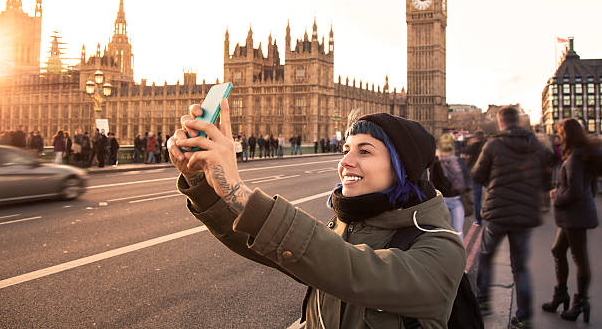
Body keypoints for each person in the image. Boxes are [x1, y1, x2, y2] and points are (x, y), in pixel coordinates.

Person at [167, 102, 465, 328]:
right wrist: (201, 183)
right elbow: (270, 244)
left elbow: (350, 269)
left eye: (364, 151)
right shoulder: (348, 228)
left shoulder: (440, 248)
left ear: (402, 169)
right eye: (345, 149)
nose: (345, 161)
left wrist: (237, 188)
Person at [472, 106, 552, 329]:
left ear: (501, 123)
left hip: (497, 212)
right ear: (519, 121)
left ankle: (483, 302)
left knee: (486, 257)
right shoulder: (535, 145)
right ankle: (525, 316)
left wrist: (494, 182)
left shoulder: (494, 144)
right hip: (525, 214)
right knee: (520, 267)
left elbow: (478, 175)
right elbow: (547, 178)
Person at [542, 118, 599, 323]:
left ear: (567, 134)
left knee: (579, 258)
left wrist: (555, 196)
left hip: (576, 216)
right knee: (558, 250)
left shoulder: (575, 158)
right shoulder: (579, 154)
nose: (558, 136)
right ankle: (561, 294)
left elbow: (574, 191)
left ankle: (581, 302)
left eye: (560, 133)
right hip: (574, 215)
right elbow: (587, 187)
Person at [430, 133, 470, 239]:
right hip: (457, 199)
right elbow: (467, 181)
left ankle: (445, 254)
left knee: (441, 232)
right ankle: (459, 255)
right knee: (458, 232)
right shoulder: (459, 161)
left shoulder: (436, 163)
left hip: (442, 201)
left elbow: (432, 183)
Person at [462, 130, 487, 225]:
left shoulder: (474, 146)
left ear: (476, 138)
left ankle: (479, 220)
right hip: (487, 174)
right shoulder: (488, 145)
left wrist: (468, 143)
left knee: (477, 197)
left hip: (476, 174)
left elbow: (463, 151)